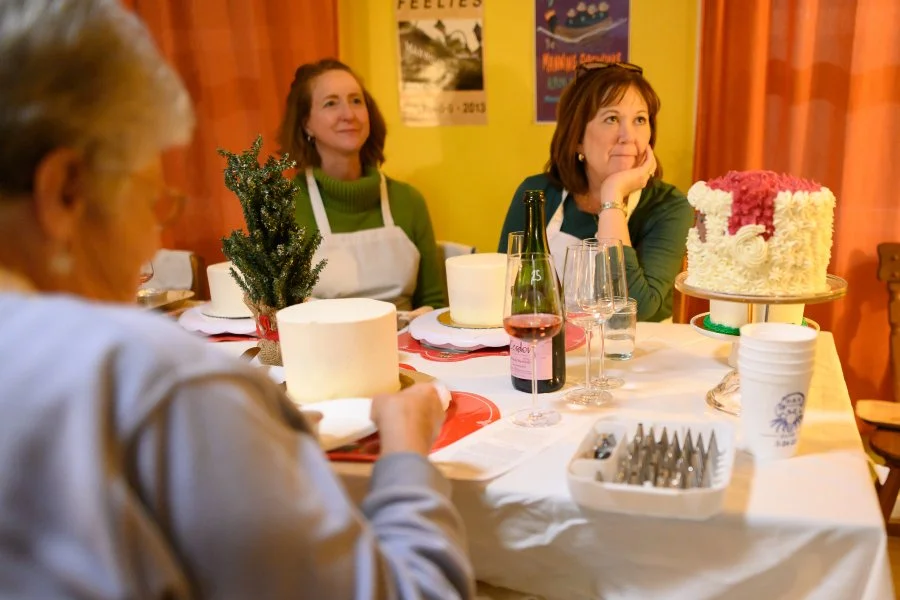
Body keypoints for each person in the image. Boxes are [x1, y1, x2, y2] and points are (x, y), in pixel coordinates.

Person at [0, 1, 474, 598]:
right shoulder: (168, 386)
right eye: (151, 202)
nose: (151, 240)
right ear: (64, 193)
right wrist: (406, 448)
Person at [498, 61, 693, 322]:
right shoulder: (537, 193)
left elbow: (637, 309)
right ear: (577, 137)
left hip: (638, 357)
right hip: (552, 351)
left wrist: (612, 196)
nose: (628, 136)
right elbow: (506, 289)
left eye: (639, 120)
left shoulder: (669, 206)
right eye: (612, 119)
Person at [278, 59, 445, 312]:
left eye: (356, 101)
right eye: (331, 103)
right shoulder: (284, 206)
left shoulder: (408, 201)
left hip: (401, 346)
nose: (349, 115)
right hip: (318, 346)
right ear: (306, 124)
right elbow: (276, 312)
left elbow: (434, 304)